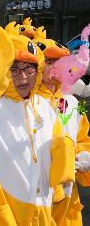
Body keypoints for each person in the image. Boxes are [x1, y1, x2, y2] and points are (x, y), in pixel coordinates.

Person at [0, 24, 76, 225]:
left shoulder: (45, 109)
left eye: (29, 68)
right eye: (14, 69)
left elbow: (53, 152)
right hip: (3, 211)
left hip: (42, 207)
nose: (23, 77)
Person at [33, 26, 90, 225]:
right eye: (49, 61)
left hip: (69, 188)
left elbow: (82, 137)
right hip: (39, 188)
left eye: (58, 61)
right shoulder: (28, 100)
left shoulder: (71, 101)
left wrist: (83, 154)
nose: (55, 66)